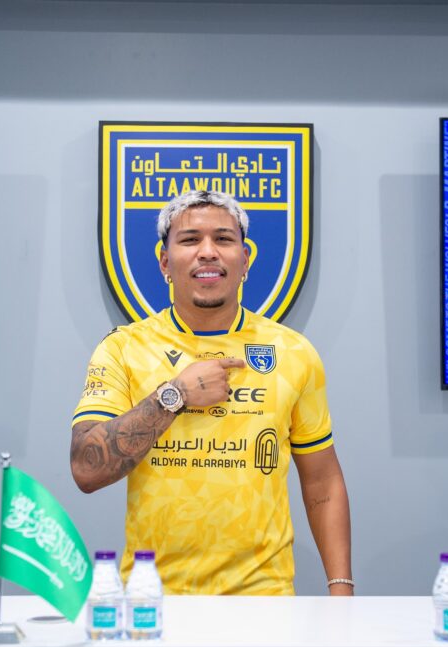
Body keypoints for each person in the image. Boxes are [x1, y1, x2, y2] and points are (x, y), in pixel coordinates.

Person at [71, 190, 352, 596]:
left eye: (223, 239)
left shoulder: (293, 351)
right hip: (154, 598)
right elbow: (86, 469)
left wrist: (341, 590)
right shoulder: (123, 348)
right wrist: (174, 395)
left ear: (245, 260)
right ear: (164, 262)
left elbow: (323, 482)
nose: (207, 252)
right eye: (189, 240)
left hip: (264, 599)